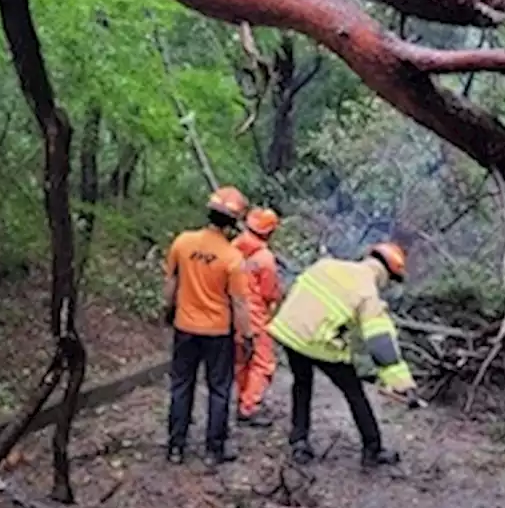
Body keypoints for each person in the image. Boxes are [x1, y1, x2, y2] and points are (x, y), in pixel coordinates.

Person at [268, 242, 417, 468]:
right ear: (386, 274)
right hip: (320, 345)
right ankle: (372, 449)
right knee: (354, 392)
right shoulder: (368, 294)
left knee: (301, 383)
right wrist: (402, 383)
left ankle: (299, 441)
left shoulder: (326, 266)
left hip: (290, 333)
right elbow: (380, 343)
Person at [163, 186, 253, 465]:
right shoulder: (232, 258)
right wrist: (246, 336)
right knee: (219, 389)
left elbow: (171, 283)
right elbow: (239, 303)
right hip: (217, 332)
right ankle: (214, 450)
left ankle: (176, 447)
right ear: (234, 223)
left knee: (181, 385)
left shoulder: (183, 242)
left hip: (185, 327)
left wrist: (169, 309)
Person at [233, 207, 283, 427]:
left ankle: (242, 398)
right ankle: (249, 407)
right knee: (263, 363)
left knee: (241, 360)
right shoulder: (265, 259)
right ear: (270, 232)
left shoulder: (233, 248)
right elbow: (269, 293)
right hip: (255, 316)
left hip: (233, 313)